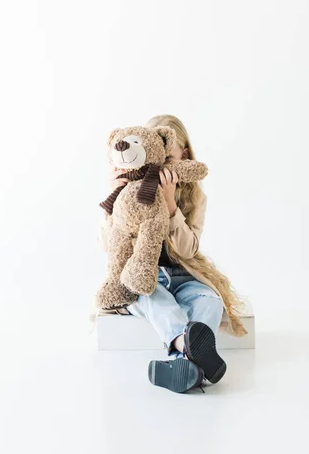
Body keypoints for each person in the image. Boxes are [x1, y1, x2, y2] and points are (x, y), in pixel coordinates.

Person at [98, 114, 247, 394]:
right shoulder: (127, 193)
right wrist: (114, 200)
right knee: (153, 297)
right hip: (145, 276)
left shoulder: (195, 197)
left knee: (210, 302)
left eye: (168, 157)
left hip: (183, 274)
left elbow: (189, 249)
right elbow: (108, 245)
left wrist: (169, 204)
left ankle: (181, 367)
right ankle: (185, 349)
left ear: (183, 156)